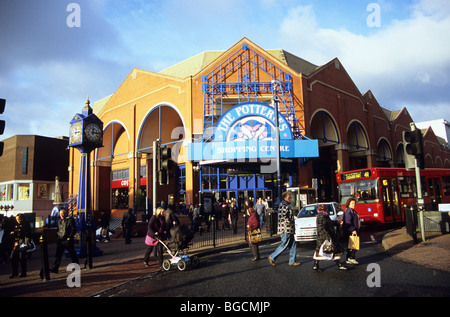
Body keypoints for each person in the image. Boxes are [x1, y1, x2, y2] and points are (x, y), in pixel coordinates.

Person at [268, 192, 300, 267]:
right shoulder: (284, 205)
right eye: (289, 197)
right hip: (285, 229)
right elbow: (284, 217)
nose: (290, 199)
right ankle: (272, 257)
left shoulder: (285, 205)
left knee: (293, 244)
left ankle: (292, 261)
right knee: (284, 244)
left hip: (289, 228)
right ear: (284, 198)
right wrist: (290, 223)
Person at [313, 205, 346, 271]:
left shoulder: (323, 215)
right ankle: (339, 265)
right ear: (325, 209)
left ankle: (315, 265)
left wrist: (337, 222)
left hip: (322, 237)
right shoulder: (322, 216)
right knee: (333, 250)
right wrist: (327, 236)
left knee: (320, 251)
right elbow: (322, 227)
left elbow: (329, 223)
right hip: (325, 237)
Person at [50, 209, 79, 274]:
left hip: (67, 240)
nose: (61, 215)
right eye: (60, 214)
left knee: (72, 254)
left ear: (66, 214)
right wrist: (58, 237)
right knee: (58, 255)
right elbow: (58, 230)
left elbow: (73, 229)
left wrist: (69, 237)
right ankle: (55, 268)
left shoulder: (70, 220)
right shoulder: (59, 221)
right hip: (60, 240)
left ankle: (76, 266)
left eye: (63, 214)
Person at [9, 214, 31, 278]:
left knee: (22, 258)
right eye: (16, 219)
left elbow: (27, 233)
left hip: (23, 243)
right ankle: (15, 272)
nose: (17, 220)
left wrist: (17, 233)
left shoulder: (26, 224)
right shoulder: (16, 225)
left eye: (18, 219)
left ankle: (23, 273)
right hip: (16, 243)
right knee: (12, 257)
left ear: (22, 219)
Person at [343, 198, 360, 265]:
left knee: (353, 245)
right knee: (353, 245)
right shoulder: (348, 211)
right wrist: (353, 230)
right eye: (352, 203)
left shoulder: (352, 211)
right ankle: (351, 258)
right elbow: (348, 222)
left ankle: (349, 258)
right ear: (348, 204)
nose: (354, 204)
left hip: (353, 230)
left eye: (354, 203)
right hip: (350, 231)